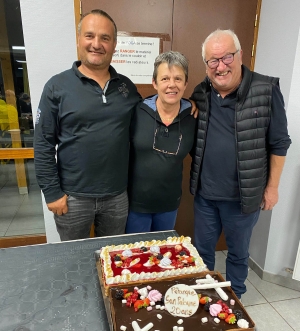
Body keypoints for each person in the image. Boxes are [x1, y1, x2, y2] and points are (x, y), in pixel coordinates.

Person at [190, 29, 291, 299]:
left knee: (237, 253)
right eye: (213, 60)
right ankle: (204, 298)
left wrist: (273, 187)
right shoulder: (201, 93)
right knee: (201, 253)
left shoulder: (266, 90)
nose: (221, 66)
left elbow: (280, 143)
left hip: (243, 198)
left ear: (240, 55)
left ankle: (234, 302)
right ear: (206, 64)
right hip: (206, 196)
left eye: (227, 57)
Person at [34, 9, 141, 241]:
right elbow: (43, 144)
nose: (96, 44)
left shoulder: (127, 88)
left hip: (117, 197)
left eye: (105, 38)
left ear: (114, 44)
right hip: (72, 198)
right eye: (90, 36)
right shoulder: (56, 87)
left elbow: (151, 117)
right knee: (74, 261)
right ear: (79, 39)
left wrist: (186, 104)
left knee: (112, 260)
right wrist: (52, 192)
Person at [125, 51, 196, 233]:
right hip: (136, 204)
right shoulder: (137, 112)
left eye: (178, 79)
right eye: (165, 79)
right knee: (136, 254)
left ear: (186, 83)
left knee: (162, 254)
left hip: (168, 205)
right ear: (154, 83)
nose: (171, 85)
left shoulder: (193, 117)